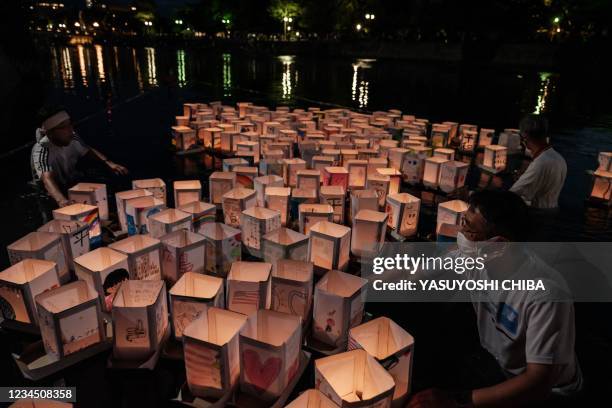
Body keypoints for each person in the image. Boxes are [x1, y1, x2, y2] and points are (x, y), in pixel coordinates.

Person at [410, 191, 582, 408]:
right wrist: (365, 283)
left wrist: (455, 401)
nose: (460, 232)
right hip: (498, 363)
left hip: (550, 394)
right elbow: (414, 273)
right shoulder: (474, 258)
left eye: (468, 228)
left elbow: (539, 382)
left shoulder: (545, 294)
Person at [31, 106, 128, 207]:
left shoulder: (72, 136)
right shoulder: (42, 149)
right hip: (51, 193)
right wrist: (61, 201)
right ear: (50, 133)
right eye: (64, 127)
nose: (71, 130)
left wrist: (109, 163)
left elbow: (87, 150)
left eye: (70, 124)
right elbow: (47, 179)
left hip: (69, 183)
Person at [509, 114, 567, 209]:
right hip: (552, 209)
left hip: (538, 214)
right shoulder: (559, 158)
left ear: (525, 137)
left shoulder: (540, 163)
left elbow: (511, 195)